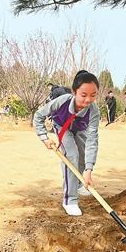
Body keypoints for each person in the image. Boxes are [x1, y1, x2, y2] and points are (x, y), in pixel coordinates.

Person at [34, 70, 101, 216]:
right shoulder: (62, 100)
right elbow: (38, 116)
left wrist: (89, 171)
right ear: (75, 91)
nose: (88, 100)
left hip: (80, 130)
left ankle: (77, 183)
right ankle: (69, 200)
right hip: (62, 127)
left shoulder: (94, 111)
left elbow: (92, 140)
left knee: (82, 156)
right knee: (72, 156)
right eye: (83, 95)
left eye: (93, 95)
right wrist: (44, 137)